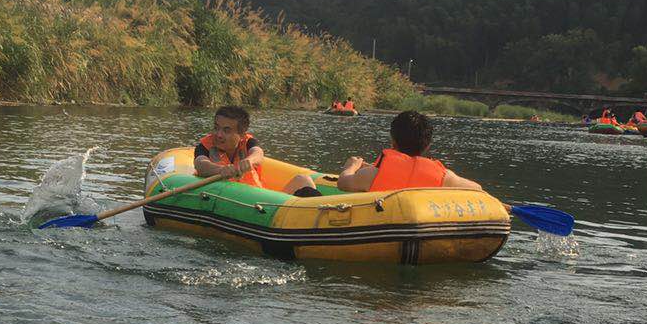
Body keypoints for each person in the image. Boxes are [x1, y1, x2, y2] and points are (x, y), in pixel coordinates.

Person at [336, 109, 482, 193]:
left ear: (393, 140)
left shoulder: (371, 175)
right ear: (427, 146)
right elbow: (477, 189)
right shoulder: (445, 178)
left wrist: (352, 166)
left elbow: (343, 182)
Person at [194, 106, 320, 197]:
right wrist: (221, 170)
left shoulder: (248, 142)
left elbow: (258, 153)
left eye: (226, 130)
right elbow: (201, 164)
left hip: (261, 201)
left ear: (242, 135)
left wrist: (249, 160)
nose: (219, 134)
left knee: (303, 180)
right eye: (216, 128)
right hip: (231, 198)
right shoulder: (205, 146)